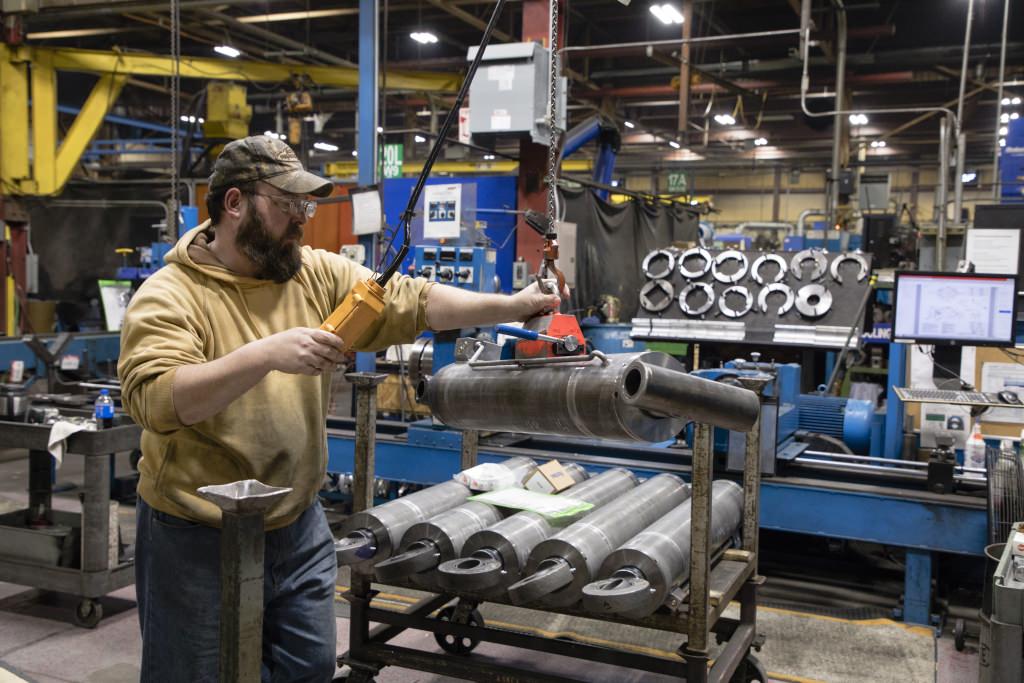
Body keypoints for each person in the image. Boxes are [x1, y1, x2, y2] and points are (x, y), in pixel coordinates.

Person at [118, 135, 564, 683]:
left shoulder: (311, 271)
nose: (301, 220)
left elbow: (414, 299)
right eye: (286, 205)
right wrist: (264, 355)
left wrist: (514, 305)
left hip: (297, 526)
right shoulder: (172, 294)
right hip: (196, 533)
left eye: (304, 205)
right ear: (235, 205)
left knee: (307, 671)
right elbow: (156, 401)